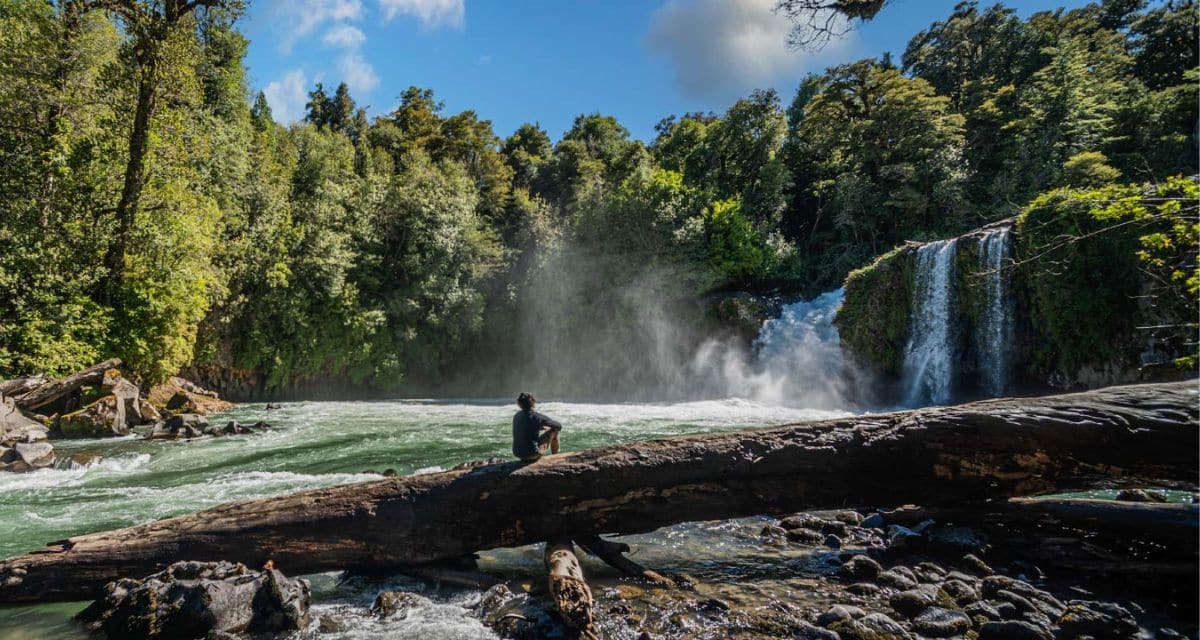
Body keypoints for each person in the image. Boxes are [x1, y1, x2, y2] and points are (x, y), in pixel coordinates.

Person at [511, 392, 561, 462]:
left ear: (519, 404)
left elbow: (526, 428)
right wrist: (546, 427)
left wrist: (541, 426)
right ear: (533, 402)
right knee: (554, 431)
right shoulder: (537, 417)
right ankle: (556, 458)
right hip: (533, 453)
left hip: (518, 453)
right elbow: (558, 426)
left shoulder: (516, 416)